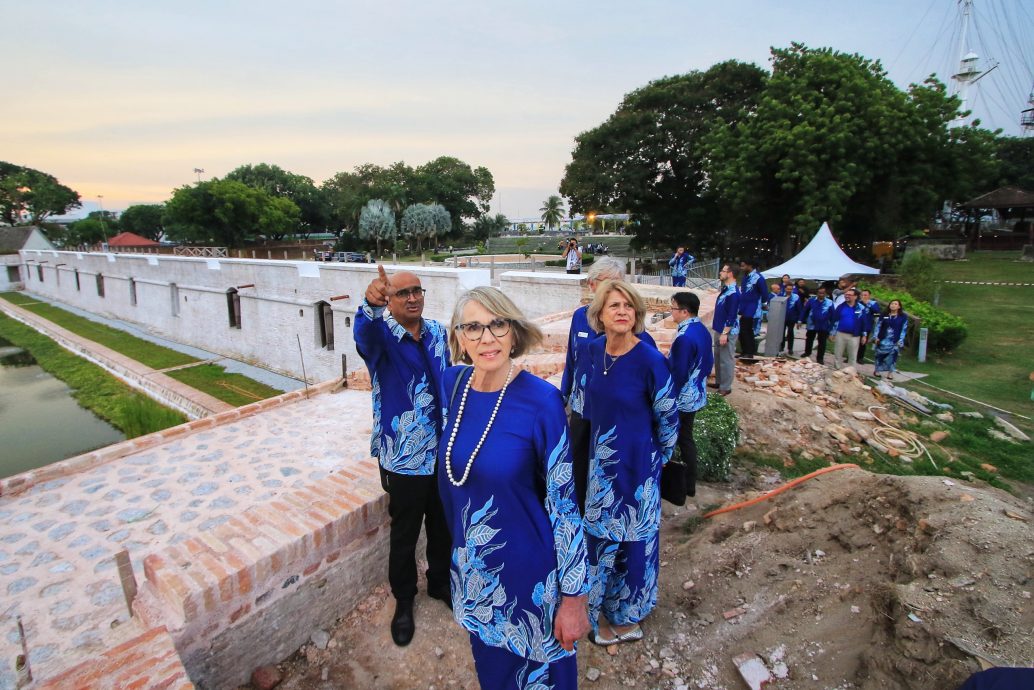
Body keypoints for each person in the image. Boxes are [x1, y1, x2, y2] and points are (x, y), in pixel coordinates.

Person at [439, 287, 590, 689]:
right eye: (473, 327)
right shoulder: (453, 387)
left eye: (497, 324)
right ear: (459, 337)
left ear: (513, 331)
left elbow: (564, 505)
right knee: (495, 676)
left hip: (532, 582)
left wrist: (574, 598)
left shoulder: (541, 402)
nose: (486, 338)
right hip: (475, 576)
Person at [354, 266, 452, 647]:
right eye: (402, 293)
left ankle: (440, 583)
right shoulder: (379, 337)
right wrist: (368, 304)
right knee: (406, 534)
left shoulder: (439, 333)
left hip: (441, 452)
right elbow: (362, 333)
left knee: (442, 525)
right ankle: (405, 601)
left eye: (417, 291)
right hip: (404, 459)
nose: (412, 298)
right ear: (389, 300)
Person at [582, 280, 678, 646]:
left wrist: (657, 459)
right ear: (600, 315)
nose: (622, 311)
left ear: (636, 315)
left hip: (638, 468)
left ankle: (626, 617)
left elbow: (669, 416)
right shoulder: (593, 351)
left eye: (628, 306)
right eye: (614, 306)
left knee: (633, 544)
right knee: (600, 539)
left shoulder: (650, 359)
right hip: (601, 467)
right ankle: (593, 609)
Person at [559, 257, 658, 512]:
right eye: (606, 283)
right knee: (579, 462)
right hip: (583, 407)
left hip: (616, 411)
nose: (612, 290)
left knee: (611, 464)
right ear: (592, 285)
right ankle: (580, 513)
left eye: (617, 283)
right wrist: (564, 395)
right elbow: (571, 358)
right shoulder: (580, 318)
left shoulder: (633, 329)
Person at [668, 291, 713, 497]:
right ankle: (689, 486)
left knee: (669, 439)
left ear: (684, 311)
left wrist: (667, 398)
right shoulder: (701, 330)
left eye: (673, 308)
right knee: (686, 439)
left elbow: (678, 372)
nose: (671, 312)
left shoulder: (684, 338)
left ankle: (673, 486)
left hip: (681, 399)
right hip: (696, 395)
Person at [712, 265, 740, 395]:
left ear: (730, 274)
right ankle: (719, 381)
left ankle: (726, 386)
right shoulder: (726, 289)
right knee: (718, 356)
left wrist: (725, 333)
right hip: (719, 328)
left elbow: (732, 314)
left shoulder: (734, 293)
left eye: (723, 271)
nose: (720, 272)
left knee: (726, 358)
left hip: (727, 331)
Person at [829, 288, 868, 369]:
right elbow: (835, 320)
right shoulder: (840, 307)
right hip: (840, 334)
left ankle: (850, 372)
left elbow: (864, 322)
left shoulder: (861, 308)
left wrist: (864, 335)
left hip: (854, 335)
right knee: (838, 354)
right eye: (846, 294)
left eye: (849, 295)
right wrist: (832, 333)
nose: (847, 296)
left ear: (855, 297)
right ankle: (837, 370)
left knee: (853, 355)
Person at [737, 258, 767, 359]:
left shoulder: (758, 277)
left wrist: (764, 304)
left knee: (746, 330)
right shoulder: (746, 277)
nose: (742, 268)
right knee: (744, 330)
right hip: (744, 307)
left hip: (753, 307)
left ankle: (749, 352)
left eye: (743, 266)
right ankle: (745, 351)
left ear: (750, 266)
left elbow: (764, 292)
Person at [873, 299, 908, 380]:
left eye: (895, 304)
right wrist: (876, 337)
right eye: (892, 303)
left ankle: (890, 373)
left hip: (894, 340)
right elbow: (878, 326)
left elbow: (904, 329)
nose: (893, 305)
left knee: (893, 356)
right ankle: (877, 370)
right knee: (879, 355)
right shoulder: (884, 315)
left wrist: (901, 340)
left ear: (899, 306)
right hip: (883, 339)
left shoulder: (903, 317)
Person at [802, 286, 834, 364]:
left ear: (825, 294)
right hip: (812, 324)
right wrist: (800, 320)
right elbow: (805, 310)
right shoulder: (811, 301)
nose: (821, 294)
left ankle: (820, 358)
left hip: (824, 325)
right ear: (817, 293)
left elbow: (833, 314)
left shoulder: (829, 302)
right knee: (809, 339)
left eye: (823, 293)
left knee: (822, 342)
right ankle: (807, 352)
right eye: (820, 293)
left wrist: (832, 326)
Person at [857, 289, 881, 363]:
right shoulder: (858, 303)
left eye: (865, 295)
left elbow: (878, 314)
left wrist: (869, 305)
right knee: (854, 342)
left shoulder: (873, 303)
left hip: (867, 326)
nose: (863, 296)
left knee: (863, 343)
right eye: (862, 295)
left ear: (869, 296)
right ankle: (851, 357)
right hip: (857, 325)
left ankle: (860, 358)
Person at [781, 286, 804, 356]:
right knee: (781, 332)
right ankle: (781, 347)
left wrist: (799, 319)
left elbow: (799, 308)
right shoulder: (781, 295)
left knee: (790, 332)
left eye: (791, 289)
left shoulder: (796, 297)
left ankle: (790, 348)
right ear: (785, 289)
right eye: (788, 289)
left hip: (792, 318)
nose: (789, 290)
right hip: (782, 317)